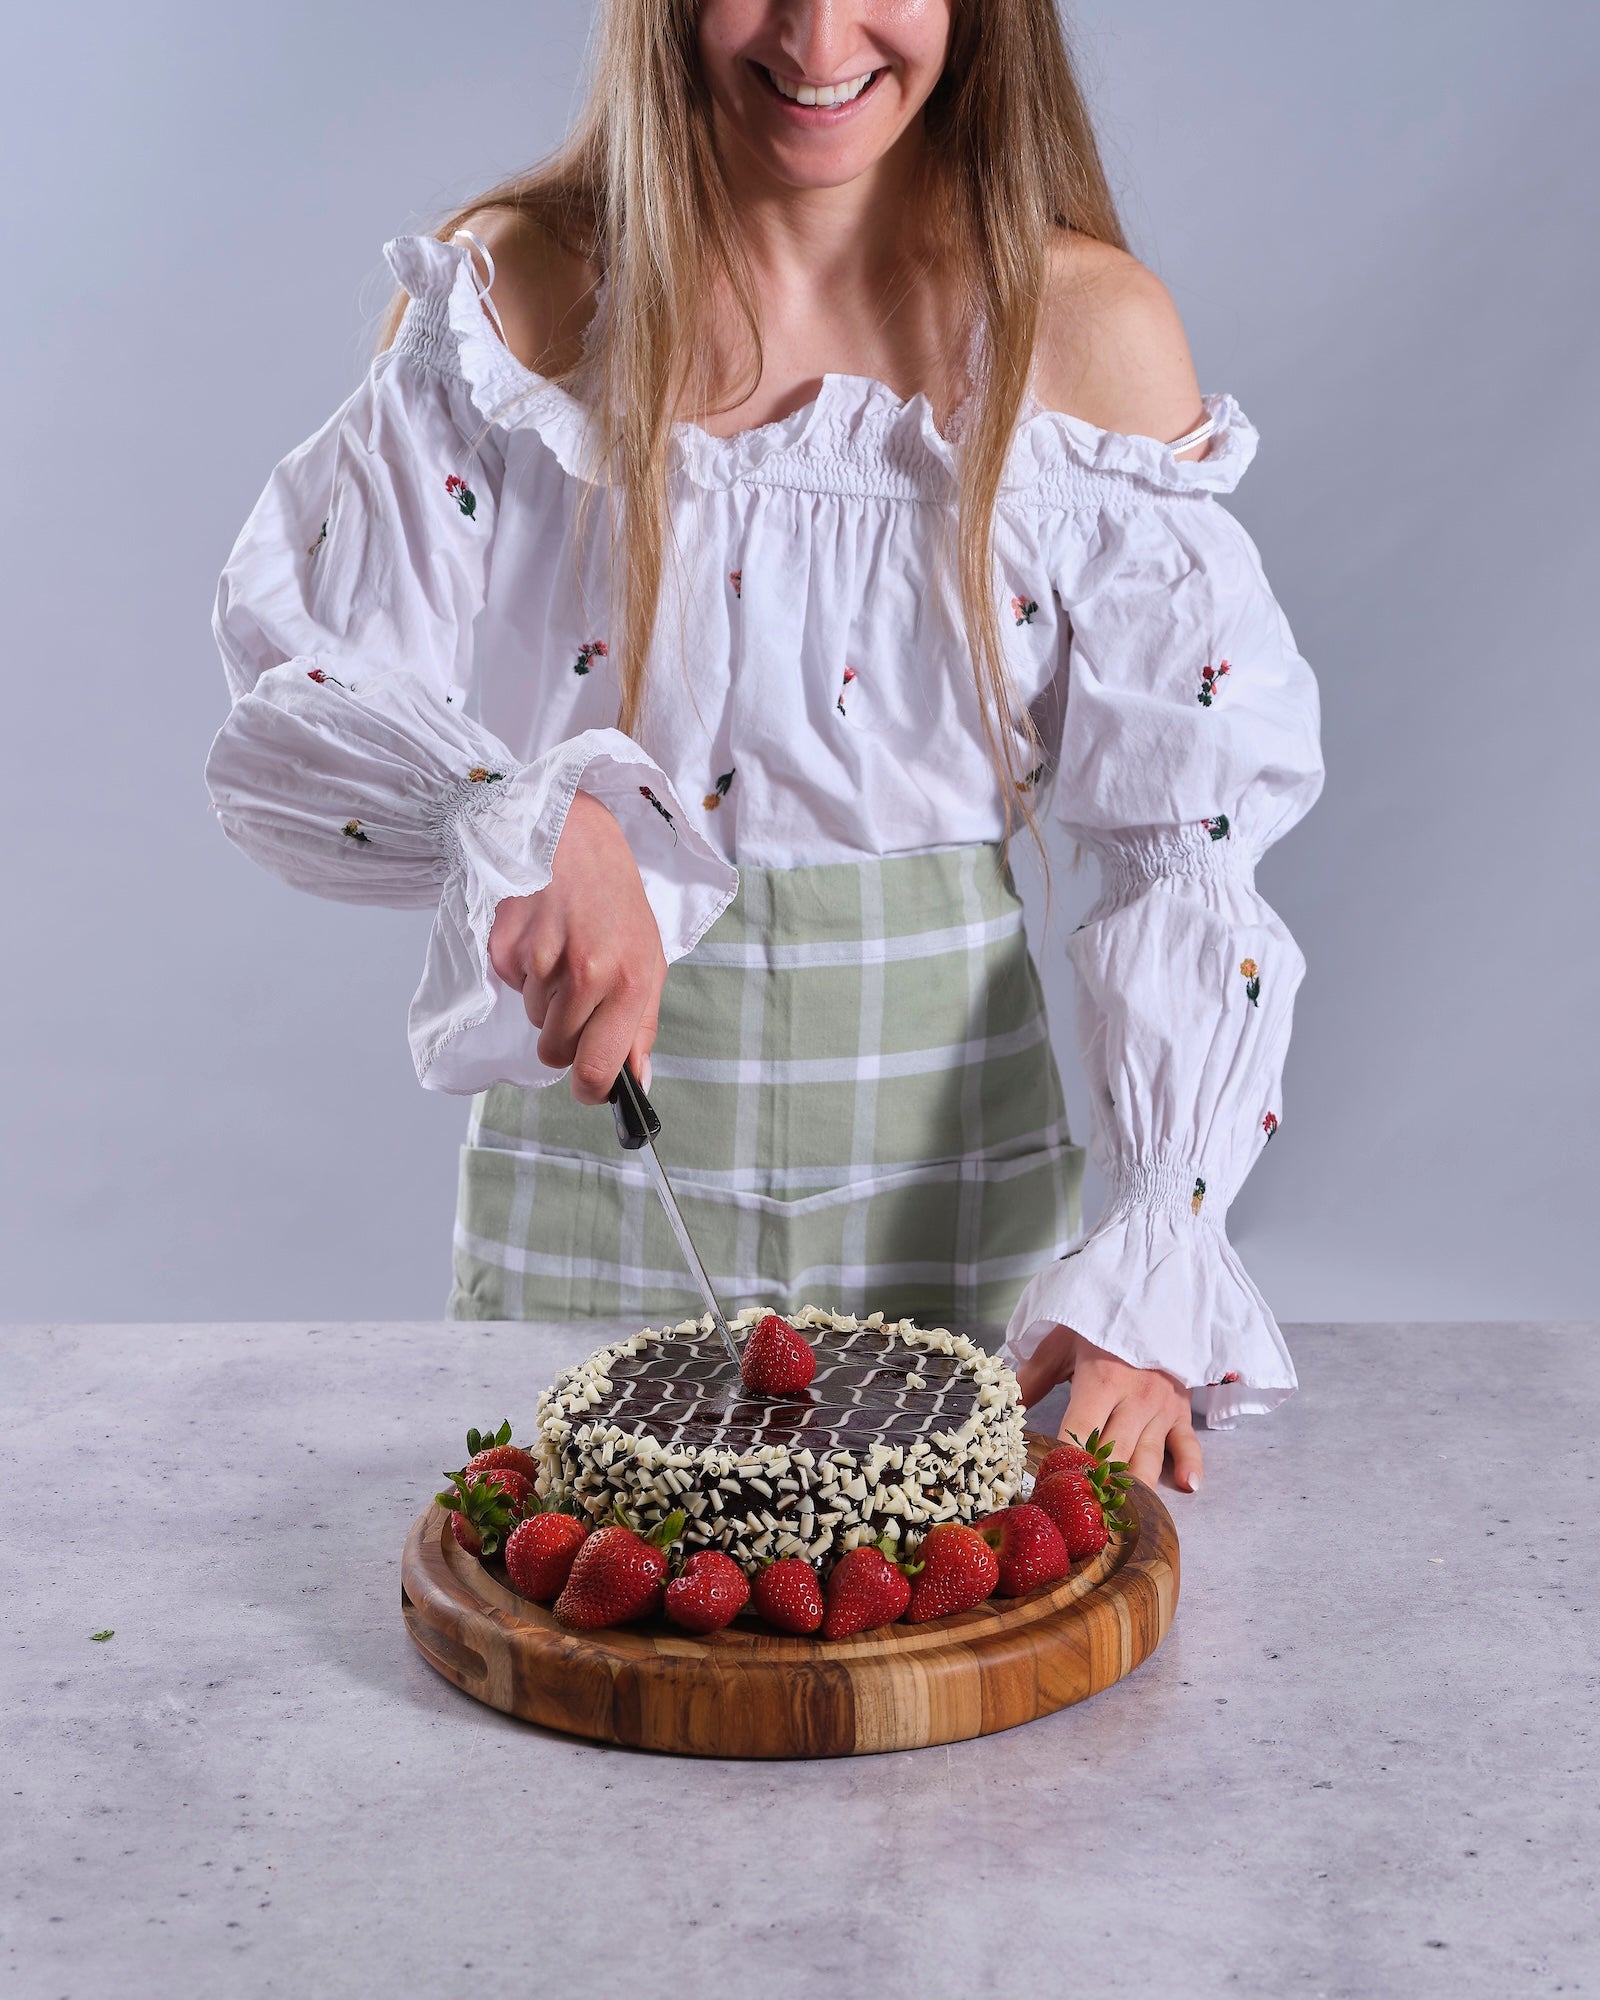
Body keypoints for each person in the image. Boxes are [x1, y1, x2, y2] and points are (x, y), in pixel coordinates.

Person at [205, 0, 1322, 1497]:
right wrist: (536, 814)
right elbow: (301, 693)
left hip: (956, 1192)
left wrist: (1160, 1261)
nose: (815, 33)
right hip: (599, 1172)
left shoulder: (1083, 334)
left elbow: (1188, 854)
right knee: (585, 1646)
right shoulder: (518, 301)